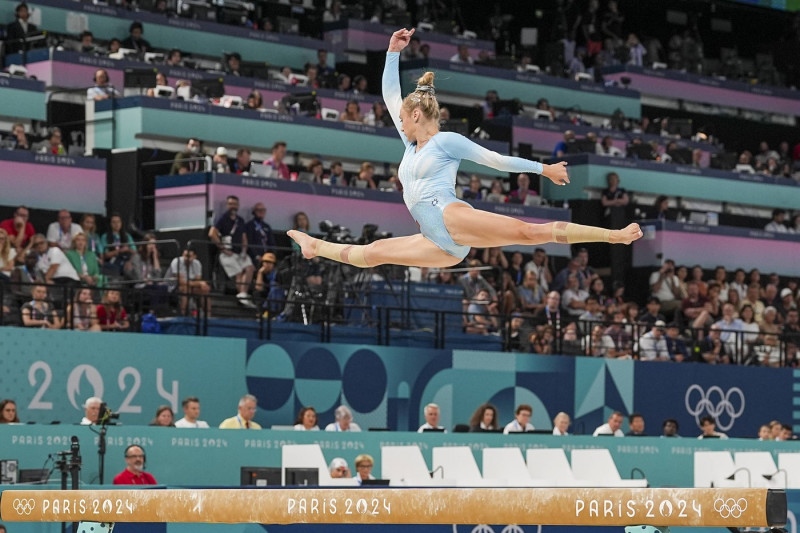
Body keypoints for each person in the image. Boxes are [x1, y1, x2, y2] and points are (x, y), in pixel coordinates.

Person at [288, 28, 641, 271]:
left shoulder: (445, 141)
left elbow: (496, 160)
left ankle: (614, 236)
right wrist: (393, 53)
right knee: (375, 253)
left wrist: (543, 169)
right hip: (440, 244)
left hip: (449, 215)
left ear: (415, 114)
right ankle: (314, 247)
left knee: (527, 232)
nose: (397, 119)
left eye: (402, 117)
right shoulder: (411, 142)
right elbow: (390, 95)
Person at [209, 195, 255, 308]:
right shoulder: (222, 218)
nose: (233, 206)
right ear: (227, 205)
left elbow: (244, 238)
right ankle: (243, 297)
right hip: (227, 254)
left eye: (235, 204)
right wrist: (222, 248)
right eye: (230, 204)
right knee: (238, 272)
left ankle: (242, 294)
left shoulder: (240, 220)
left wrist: (244, 250)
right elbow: (211, 233)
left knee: (250, 268)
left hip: (240, 252)